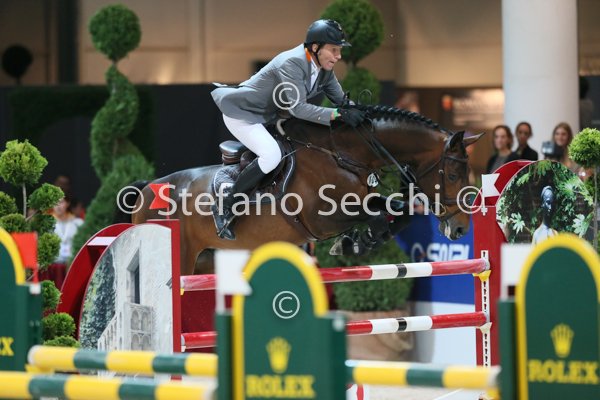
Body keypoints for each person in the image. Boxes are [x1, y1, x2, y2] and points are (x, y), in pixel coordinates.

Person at [210, 19, 366, 240]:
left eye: (339, 50)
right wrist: (337, 115)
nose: (338, 56)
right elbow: (298, 109)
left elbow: (342, 102)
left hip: (268, 117)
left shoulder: (324, 69)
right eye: (334, 50)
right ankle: (226, 203)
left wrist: (361, 113)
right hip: (244, 114)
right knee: (272, 155)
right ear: (315, 47)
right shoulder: (292, 62)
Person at [53, 195, 84, 265]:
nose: (58, 206)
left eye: (61, 202)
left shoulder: (78, 223)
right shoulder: (48, 225)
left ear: (67, 203)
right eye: (54, 203)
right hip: (54, 264)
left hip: (73, 263)